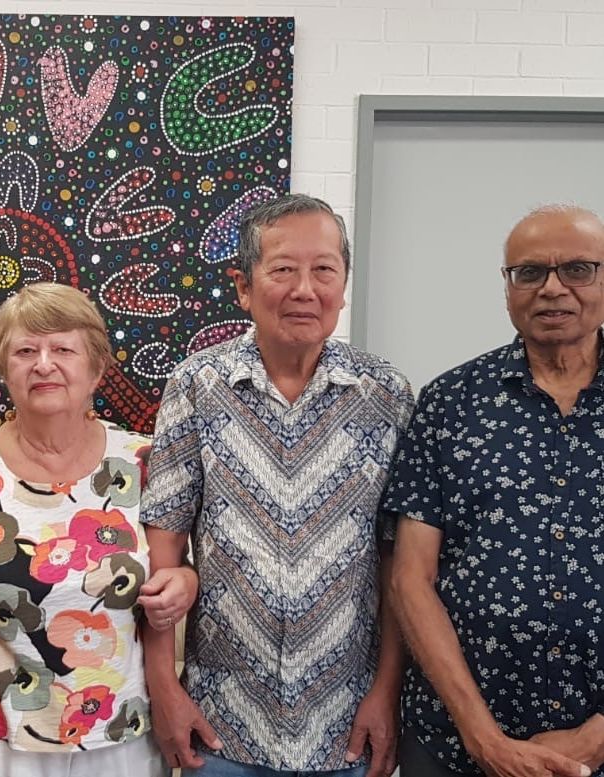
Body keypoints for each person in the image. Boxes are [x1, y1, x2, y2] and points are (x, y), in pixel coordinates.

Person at [140, 194, 415, 777]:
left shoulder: (385, 393)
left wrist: (387, 691)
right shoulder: (196, 386)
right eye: (283, 269)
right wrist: (164, 686)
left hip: (345, 725)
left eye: (324, 270)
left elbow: (400, 565)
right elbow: (162, 553)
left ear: (343, 285)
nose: (305, 289)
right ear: (243, 287)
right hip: (220, 721)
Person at [0, 282, 197, 777]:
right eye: (25, 351)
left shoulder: (143, 462)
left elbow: (174, 570)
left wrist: (187, 581)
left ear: (95, 368)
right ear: (4, 369)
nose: (44, 364)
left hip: (122, 732)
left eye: (63, 349)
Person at [383, 205, 604, 777]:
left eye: (578, 269)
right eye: (529, 272)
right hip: (453, 743)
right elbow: (411, 577)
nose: (553, 288)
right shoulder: (449, 404)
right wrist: (485, 739)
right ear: (507, 289)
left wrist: (594, 738)